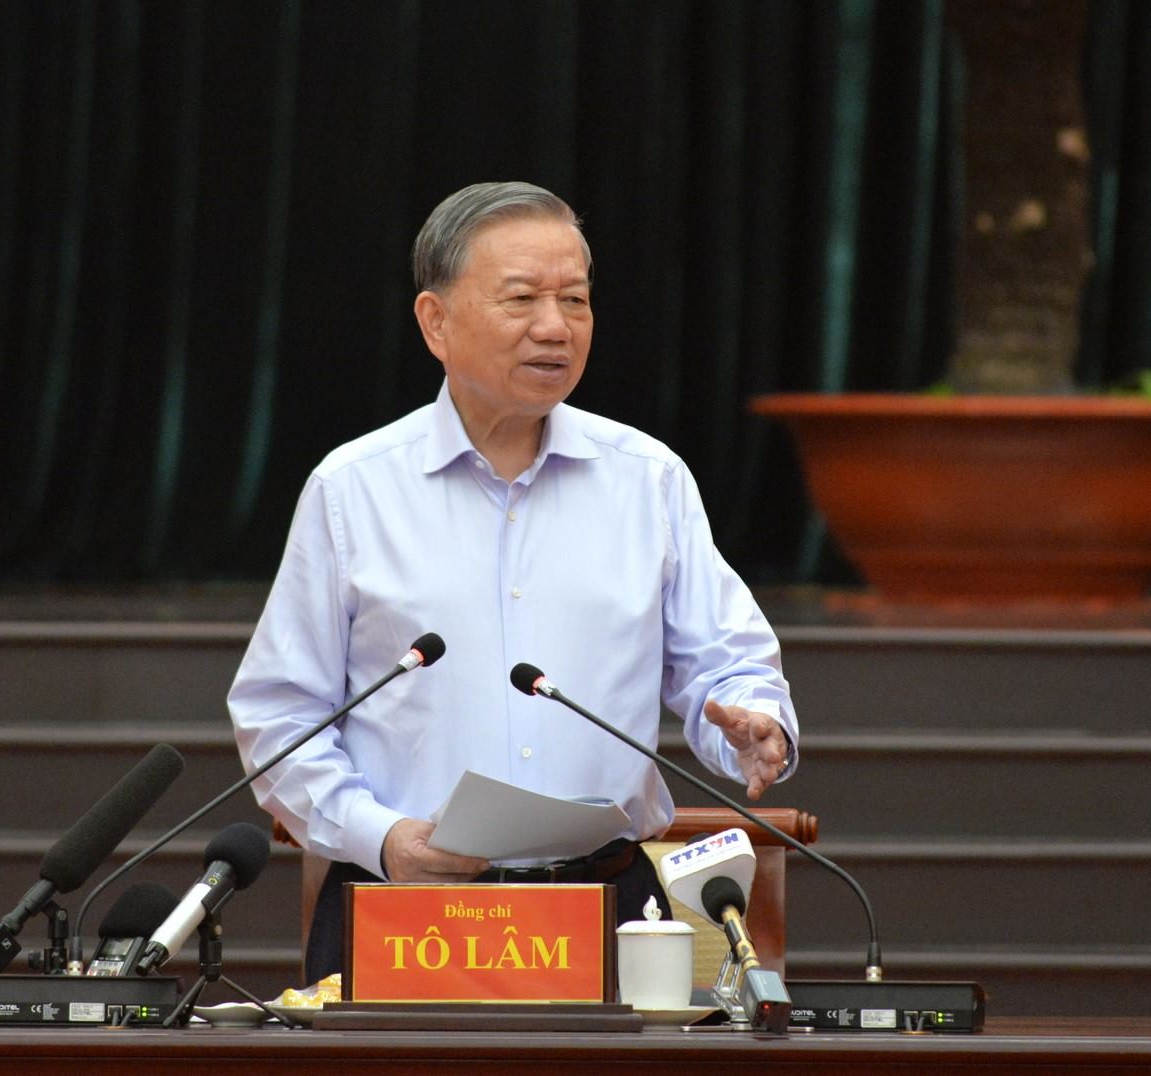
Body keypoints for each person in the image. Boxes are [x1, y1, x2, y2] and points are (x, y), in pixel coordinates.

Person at [229, 181, 798, 983]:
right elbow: (280, 714)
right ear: (435, 321)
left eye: (575, 299)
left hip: (606, 906)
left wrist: (751, 723)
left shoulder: (647, 480)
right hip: (407, 910)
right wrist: (380, 838)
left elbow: (726, 664)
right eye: (522, 298)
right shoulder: (354, 489)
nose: (554, 327)